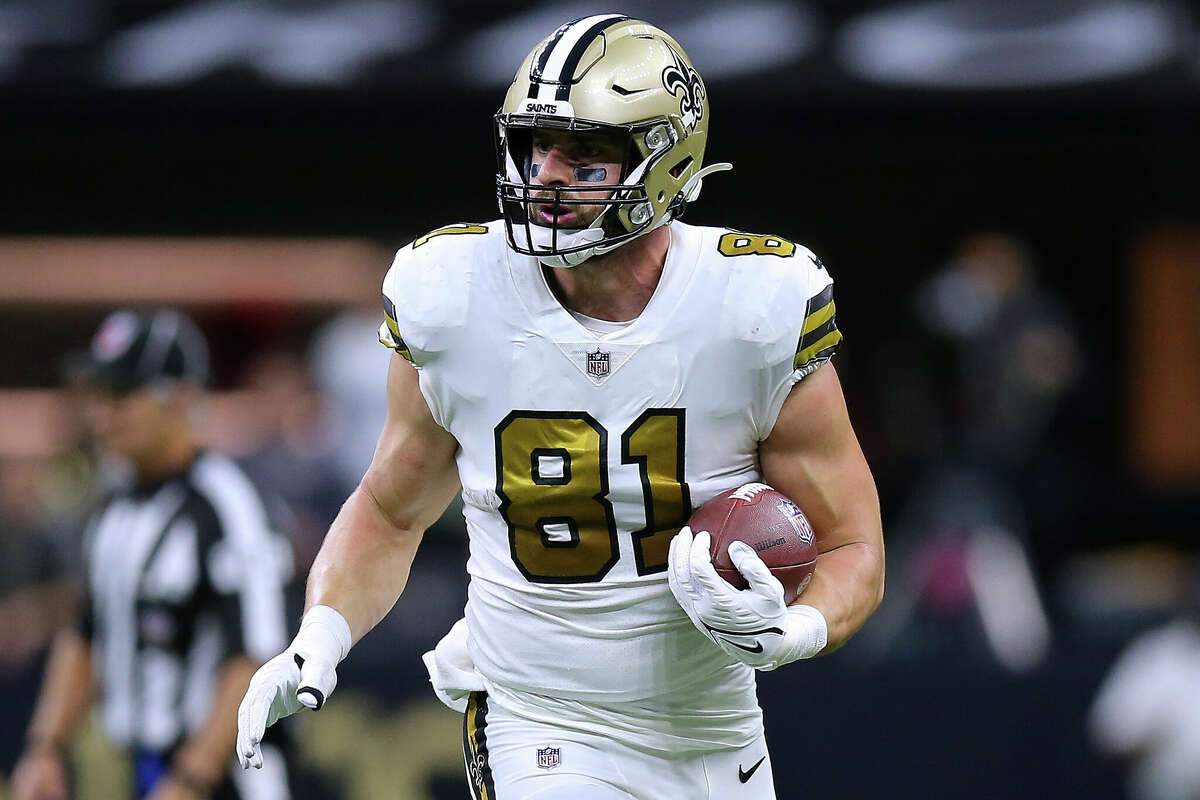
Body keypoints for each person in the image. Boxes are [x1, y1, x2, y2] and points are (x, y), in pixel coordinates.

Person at [237, 15, 884, 800]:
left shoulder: (754, 308)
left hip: (712, 726)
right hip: (537, 715)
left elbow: (853, 546)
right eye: (535, 146)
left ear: (664, 158)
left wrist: (796, 630)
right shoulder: (452, 293)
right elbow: (390, 507)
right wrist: (320, 634)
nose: (545, 173)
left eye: (584, 153)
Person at [11, 309, 294, 800]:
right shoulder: (114, 505)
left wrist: (190, 778)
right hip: (146, 768)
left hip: (226, 779)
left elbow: (257, 659)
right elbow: (85, 633)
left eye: (122, 396)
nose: (102, 415)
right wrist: (46, 747)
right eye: (98, 395)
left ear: (181, 397)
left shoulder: (228, 506)